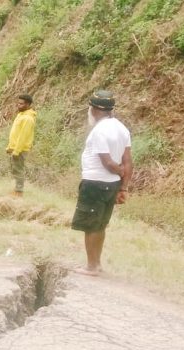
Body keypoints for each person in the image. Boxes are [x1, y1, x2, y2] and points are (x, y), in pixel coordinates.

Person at [71, 91, 132, 276]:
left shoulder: (99, 131)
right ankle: (96, 264)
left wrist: (119, 171)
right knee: (100, 225)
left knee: (91, 225)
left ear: (95, 109)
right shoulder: (122, 128)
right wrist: (123, 187)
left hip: (94, 184)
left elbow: (108, 163)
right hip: (112, 185)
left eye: (90, 108)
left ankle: (92, 266)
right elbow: (128, 161)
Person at [6, 94, 37, 196]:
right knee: (15, 169)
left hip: (20, 149)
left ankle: (19, 192)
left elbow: (23, 137)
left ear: (28, 104)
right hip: (15, 148)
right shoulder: (21, 115)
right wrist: (10, 147)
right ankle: (16, 190)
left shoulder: (28, 119)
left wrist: (16, 151)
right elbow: (16, 133)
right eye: (18, 103)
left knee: (19, 170)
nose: (19, 105)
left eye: (21, 104)